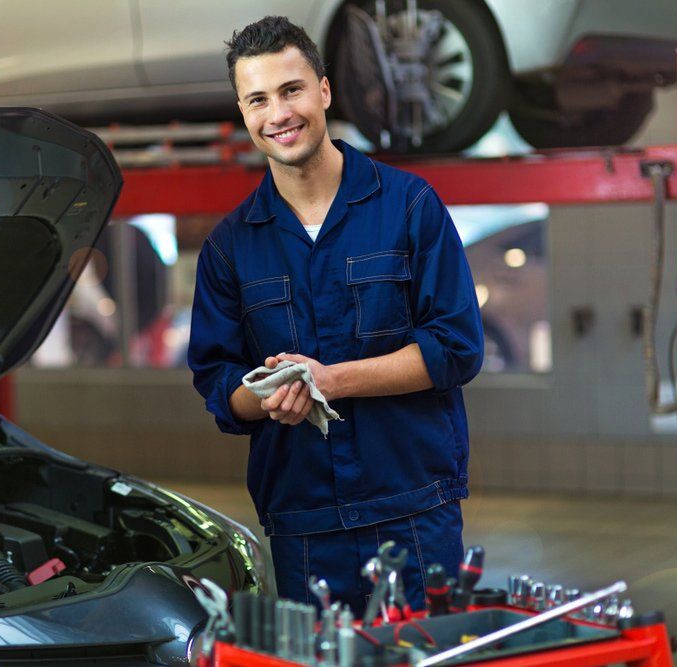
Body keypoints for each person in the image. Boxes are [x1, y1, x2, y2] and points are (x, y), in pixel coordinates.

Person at [187, 15, 483, 614]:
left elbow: (455, 347)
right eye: (258, 100)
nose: (279, 115)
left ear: (324, 90)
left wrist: (329, 380)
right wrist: (269, 396)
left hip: (414, 513)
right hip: (305, 526)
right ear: (243, 113)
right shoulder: (230, 246)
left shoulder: (409, 206)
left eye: (291, 90)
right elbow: (219, 385)